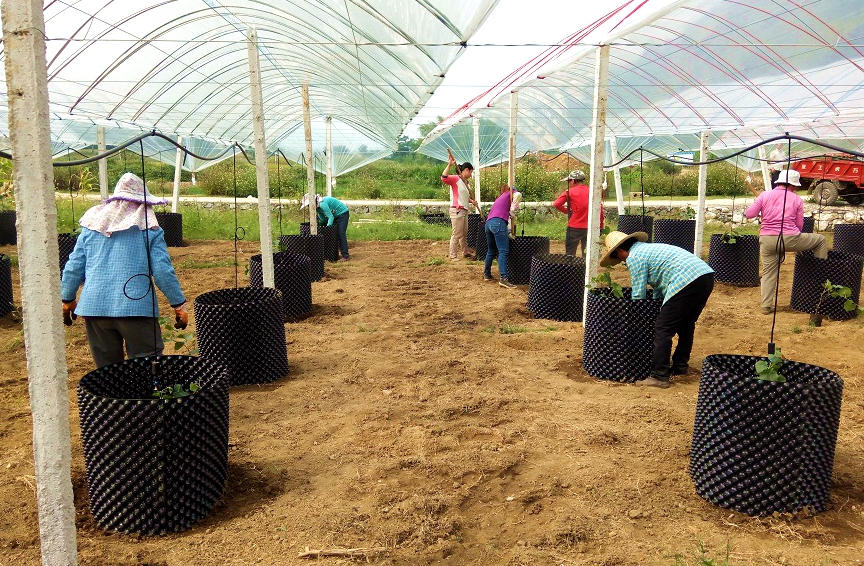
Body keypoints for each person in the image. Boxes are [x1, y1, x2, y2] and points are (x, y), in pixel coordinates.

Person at [61, 173, 188, 369]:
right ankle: (146, 399)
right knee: (147, 365)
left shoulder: (92, 228)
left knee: (108, 370)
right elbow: (163, 271)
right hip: (136, 309)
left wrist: (67, 299)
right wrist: (178, 305)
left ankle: (116, 400)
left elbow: (73, 266)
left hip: (95, 308)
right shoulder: (150, 230)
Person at [600, 230, 715, 388]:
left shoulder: (635, 257)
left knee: (663, 328)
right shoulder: (648, 249)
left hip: (686, 280)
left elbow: (638, 293)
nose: (620, 262)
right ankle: (681, 366)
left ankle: (659, 376)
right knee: (686, 324)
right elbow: (660, 284)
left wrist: (635, 319)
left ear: (620, 251)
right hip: (705, 276)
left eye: (617, 257)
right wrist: (655, 305)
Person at [744, 169, 828, 314]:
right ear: (792, 185)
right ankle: (821, 278)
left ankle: (765, 306)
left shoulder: (765, 195)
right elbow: (799, 225)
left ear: (779, 182)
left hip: (767, 240)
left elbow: (749, 214)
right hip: (790, 238)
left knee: (769, 273)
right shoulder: (796, 199)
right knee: (820, 240)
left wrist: (758, 203)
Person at [552, 170, 604, 256]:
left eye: (569, 181)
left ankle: (571, 268)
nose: (569, 184)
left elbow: (556, 204)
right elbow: (600, 208)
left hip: (574, 227)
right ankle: (585, 268)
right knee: (587, 252)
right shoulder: (592, 191)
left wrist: (567, 212)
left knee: (570, 252)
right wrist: (601, 225)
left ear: (572, 181)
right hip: (590, 227)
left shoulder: (569, 192)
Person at [483, 185, 521, 289]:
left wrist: (508, 231)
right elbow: (518, 195)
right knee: (503, 251)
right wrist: (513, 211)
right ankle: (504, 278)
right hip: (498, 223)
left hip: (489, 223)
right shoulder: (512, 193)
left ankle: (487, 274)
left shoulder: (501, 197)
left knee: (491, 251)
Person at [441, 155, 478, 260]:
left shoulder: (466, 183)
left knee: (464, 232)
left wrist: (472, 201)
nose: (471, 174)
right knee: (457, 233)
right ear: (466, 170)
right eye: (471, 172)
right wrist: (449, 165)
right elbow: (443, 178)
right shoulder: (455, 179)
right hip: (457, 209)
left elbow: (465, 197)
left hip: (464, 210)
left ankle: (465, 252)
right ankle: (453, 255)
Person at [301, 193, 351, 260]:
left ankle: (345, 256)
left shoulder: (322, 204)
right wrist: (319, 224)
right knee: (335, 234)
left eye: (308, 205)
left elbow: (330, 217)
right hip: (334, 215)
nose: (308, 206)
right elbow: (323, 218)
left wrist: (327, 229)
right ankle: (336, 252)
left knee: (340, 233)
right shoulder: (317, 207)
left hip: (342, 214)